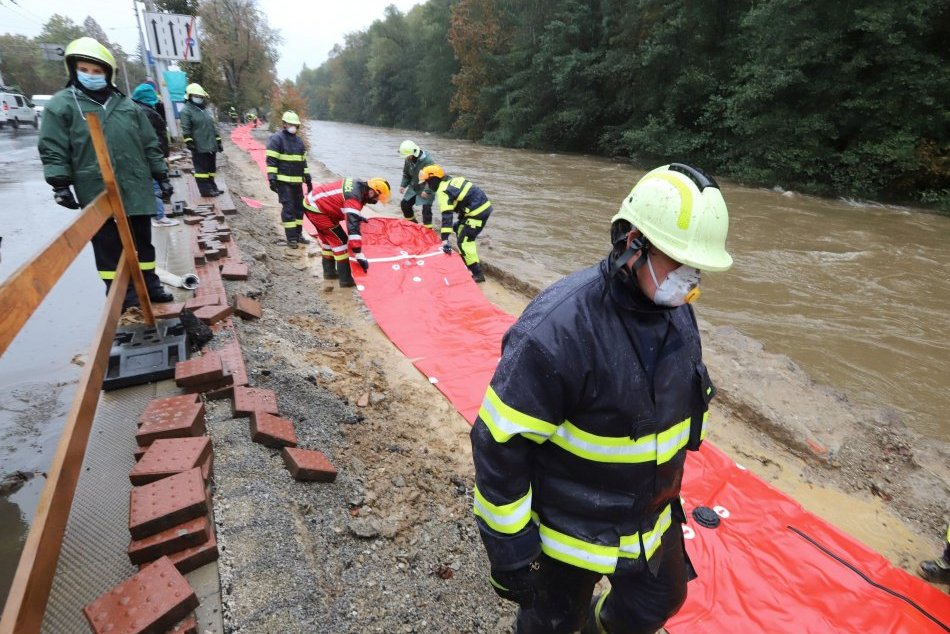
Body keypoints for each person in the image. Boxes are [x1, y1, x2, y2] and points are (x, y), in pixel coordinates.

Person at [470, 163, 733, 634]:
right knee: (550, 625)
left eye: (698, 268)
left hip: (648, 521)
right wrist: (512, 552)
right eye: (680, 262)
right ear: (634, 243)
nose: (690, 280)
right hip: (567, 535)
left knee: (658, 602)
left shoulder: (677, 315)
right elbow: (499, 442)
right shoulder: (558, 329)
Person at [38, 37, 175, 310]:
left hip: (134, 186)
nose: (91, 75)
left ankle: (150, 284)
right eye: (85, 69)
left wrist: (162, 175)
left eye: (97, 71)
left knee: (142, 242)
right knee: (108, 246)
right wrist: (60, 183)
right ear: (74, 69)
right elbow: (53, 147)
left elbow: (150, 144)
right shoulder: (63, 105)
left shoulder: (127, 106)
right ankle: (122, 296)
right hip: (95, 187)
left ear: (107, 74)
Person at [302, 177, 390, 288]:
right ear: (372, 191)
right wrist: (358, 253)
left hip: (316, 205)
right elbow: (352, 227)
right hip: (318, 210)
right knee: (341, 243)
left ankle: (329, 273)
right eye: (377, 198)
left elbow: (346, 207)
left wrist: (356, 215)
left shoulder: (358, 187)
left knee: (327, 241)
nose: (376, 201)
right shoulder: (354, 198)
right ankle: (346, 280)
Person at [419, 165, 492, 283]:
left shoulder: (443, 191)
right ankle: (465, 262)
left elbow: (447, 215)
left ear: (434, 180)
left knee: (464, 242)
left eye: (428, 183)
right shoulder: (451, 181)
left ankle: (477, 273)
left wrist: (444, 239)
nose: (428, 186)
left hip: (477, 213)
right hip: (479, 209)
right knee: (458, 228)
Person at [131, 82, 179, 228]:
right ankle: (159, 217)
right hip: (150, 158)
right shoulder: (146, 112)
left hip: (149, 157)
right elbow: (152, 139)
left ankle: (157, 215)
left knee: (154, 186)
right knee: (155, 187)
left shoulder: (138, 110)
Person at [266, 111, 311, 248]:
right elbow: (271, 160)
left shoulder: (299, 142)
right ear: (284, 124)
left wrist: (307, 179)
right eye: (290, 124)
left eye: (295, 125)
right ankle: (291, 238)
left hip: (297, 182)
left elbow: (303, 162)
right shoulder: (277, 139)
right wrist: (272, 179)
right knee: (289, 209)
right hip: (283, 182)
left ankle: (298, 235)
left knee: (299, 209)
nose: (293, 127)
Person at [180, 83, 223, 197]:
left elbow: (212, 127)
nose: (198, 98)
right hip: (199, 145)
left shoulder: (205, 110)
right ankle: (205, 190)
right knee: (202, 170)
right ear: (189, 96)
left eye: (200, 96)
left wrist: (218, 141)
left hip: (211, 145)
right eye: (195, 95)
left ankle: (212, 187)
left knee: (211, 168)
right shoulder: (186, 111)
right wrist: (189, 142)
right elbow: (186, 128)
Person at [398, 140, 436, 229]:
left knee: (426, 211)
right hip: (414, 187)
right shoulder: (408, 160)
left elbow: (433, 179)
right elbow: (406, 174)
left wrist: (426, 191)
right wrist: (403, 185)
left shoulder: (428, 161)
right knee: (405, 204)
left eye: (407, 156)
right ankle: (413, 225)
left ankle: (428, 231)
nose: (406, 158)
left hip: (428, 187)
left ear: (413, 154)